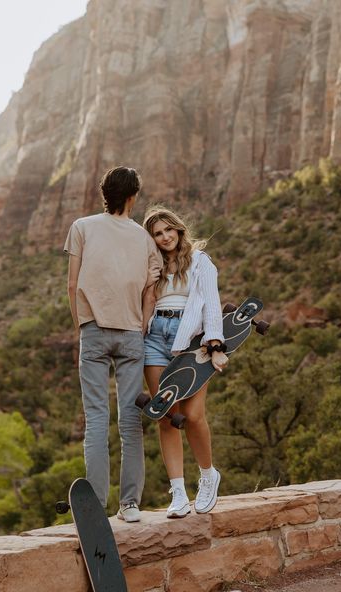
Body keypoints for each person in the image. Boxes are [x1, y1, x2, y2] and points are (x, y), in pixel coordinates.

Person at [64, 167, 161, 523]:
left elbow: (72, 284)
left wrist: (82, 327)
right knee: (131, 422)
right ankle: (131, 505)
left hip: (93, 329)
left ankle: (96, 507)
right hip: (132, 333)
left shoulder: (82, 227)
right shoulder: (145, 240)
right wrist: (140, 325)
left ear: (104, 193)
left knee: (96, 420)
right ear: (133, 197)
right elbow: (150, 293)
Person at [142, 206, 228, 518]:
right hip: (154, 338)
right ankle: (178, 492)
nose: (165, 237)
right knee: (166, 416)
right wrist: (148, 283)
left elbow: (212, 303)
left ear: (179, 230)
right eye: (157, 234)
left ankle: (208, 475)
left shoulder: (200, 261)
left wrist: (215, 343)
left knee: (192, 415)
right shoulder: (151, 266)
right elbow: (143, 305)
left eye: (168, 230)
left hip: (190, 339)